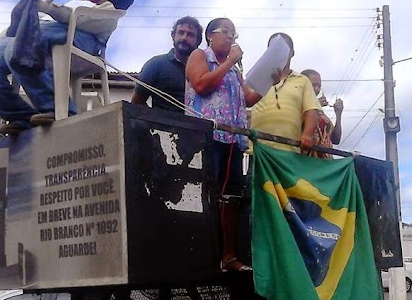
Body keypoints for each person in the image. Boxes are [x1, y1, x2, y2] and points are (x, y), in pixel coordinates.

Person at [0, 0, 135, 135]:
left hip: (80, 37)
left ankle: (59, 111)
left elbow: (85, 19)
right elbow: (12, 31)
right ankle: (21, 116)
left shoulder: (109, 11)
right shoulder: (73, 2)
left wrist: (50, 9)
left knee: (22, 46)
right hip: (40, 28)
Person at [186, 18, 264, 272]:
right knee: (208, 196)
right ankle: (205, 254)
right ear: (211, 35)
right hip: (207, 138)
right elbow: (201, 84)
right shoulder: (200, 56)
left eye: (234, 33)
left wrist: (268, 80)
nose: (232, 38)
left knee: (231, 198)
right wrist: (230, 60)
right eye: (226, 32)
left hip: (232, 140)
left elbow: (248, 99)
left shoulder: (233, 70)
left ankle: (229, 256)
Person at [249, 33, 321, 154]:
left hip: (289, 150)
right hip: (258, 150)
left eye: (282, 48)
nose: (277, 52)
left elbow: (312, 110)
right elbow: (246, 101)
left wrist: (307, 135)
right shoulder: (256, 76)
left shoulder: (302, 80)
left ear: (292, 53)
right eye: (273, 49)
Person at [132, 16, 203, 112]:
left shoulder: (205, 69)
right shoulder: (156, 64)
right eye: (181, 32)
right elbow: (137, 103)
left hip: (200, 126)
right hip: (163, 126)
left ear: (198, 41)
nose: (184, 38)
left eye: (190, 35)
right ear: (173, 36)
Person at [300, 69, 344, 157]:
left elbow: (335, 139)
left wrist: (338, 115)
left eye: (319, 86)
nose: (317, 89)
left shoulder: (321, 113)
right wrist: (313, 107)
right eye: (313, 85)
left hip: (325, 164)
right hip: (307, 161)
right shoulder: (298, 105)